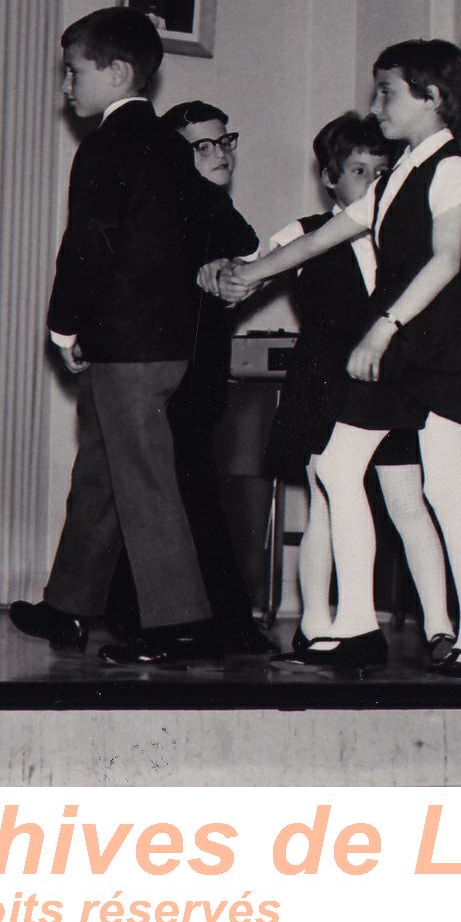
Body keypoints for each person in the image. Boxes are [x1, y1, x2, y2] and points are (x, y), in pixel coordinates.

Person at [220, 40, 461, 677]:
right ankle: (356, 625)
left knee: (445, 488)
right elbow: (329, 234)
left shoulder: (455, 170)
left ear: (432, 100)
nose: (376, 107)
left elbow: (447, 261)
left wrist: (384, 326)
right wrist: (249, 274)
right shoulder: (400, 170)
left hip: (433, 344)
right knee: (340, 469)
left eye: (388, 94)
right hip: (397, 338)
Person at [7, 7, 217, 668]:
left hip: (124, 343)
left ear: (117, 71)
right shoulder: (168, 147)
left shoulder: (104, 147)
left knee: (141, 479)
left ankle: (178, 624)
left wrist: (65, 322)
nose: (66, 85)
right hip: (162, 340)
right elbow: (210, 231)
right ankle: (67, 605)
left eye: (74, 71)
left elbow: (86, 249)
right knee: (101, 470)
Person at [246, 113, 450, 663]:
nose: (373, 183)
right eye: (360, 171)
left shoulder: (402, 235)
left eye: (383, 172)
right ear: (331, 178)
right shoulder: (305, 231)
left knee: (409, 502)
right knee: (326, 503)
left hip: (386, 381)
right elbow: (253, 270)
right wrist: (228, 273)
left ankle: (441, 628)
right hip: (322, 381)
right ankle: (316, 625)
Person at [152, 99, 269, 654]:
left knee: (187, 496)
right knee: (183, 497)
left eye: (225, 141)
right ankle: (219, 623)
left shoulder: (209, 206)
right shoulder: (191, 203)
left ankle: (210, 622)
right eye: (204, 145)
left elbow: (250, 256)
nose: (221, 153)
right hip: (172, 377)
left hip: (196, 379)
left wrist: (231, 270)